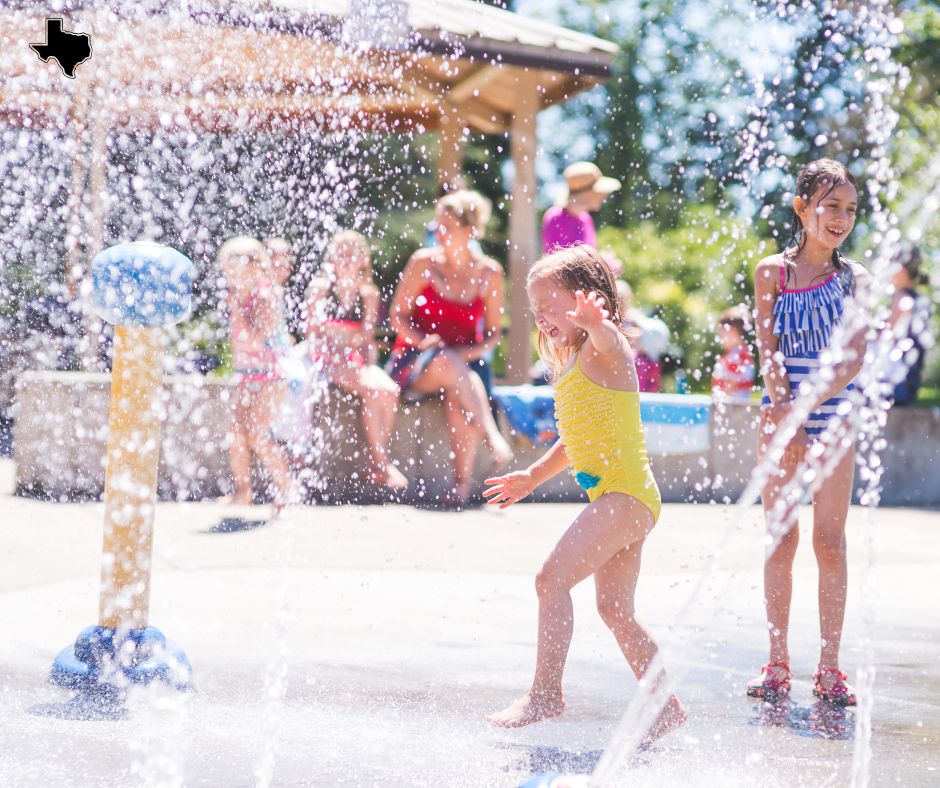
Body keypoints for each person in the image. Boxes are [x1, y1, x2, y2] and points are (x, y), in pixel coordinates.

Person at [482, 245, 687, 745]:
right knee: (616, 612)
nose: (543, 320)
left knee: (550, 580)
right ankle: (666, 706)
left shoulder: (605, 347)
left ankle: (545, 694)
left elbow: (610, 336)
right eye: (536, 312)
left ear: (585, 299)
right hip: (622, 498)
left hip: (626, 495)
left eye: (550, 308)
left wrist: (596, 321)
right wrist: (532, 476)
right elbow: (576, 439)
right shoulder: (573, 361)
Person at [751, 158, 868, 706]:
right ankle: (777, 663)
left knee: (828, 542)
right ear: (802, 208)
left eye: (849, 209)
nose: (841, 217)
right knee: (781, 537)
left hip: (833, 419)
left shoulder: (854, 279)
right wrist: (783, 409)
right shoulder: (771, 272)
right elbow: (768, 348)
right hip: (780, 415)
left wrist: (805, 411)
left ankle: (829, 668)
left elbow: (852, 359)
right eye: (830, 206)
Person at [386, 189, 513, 509]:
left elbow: (494, 332)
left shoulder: (490, 273)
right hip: (417, 359)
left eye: (445, 227)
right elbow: (396, 316)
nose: (437, 233)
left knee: (460, 393)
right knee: (448, 364)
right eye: (437, 226)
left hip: (466, 364)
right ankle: (491, 433)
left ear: (470, 231)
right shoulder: (422, 263)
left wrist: (470, 354)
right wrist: (418, 339)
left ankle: (460, 485)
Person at [303, 231, 408, 490]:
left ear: (363, 259)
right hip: (324, 357)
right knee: (373, 391)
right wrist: (337, 347)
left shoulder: (368, 293)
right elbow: (311, 333)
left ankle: (377, 461)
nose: (347, 258)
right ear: (331, 258)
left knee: (390, 390)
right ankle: (381, 463)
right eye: (342, 252)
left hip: (353, 358)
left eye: (353, 253)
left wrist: (357, 355)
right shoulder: (320, 289)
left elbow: (365, 337)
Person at [219, 236, 296, 515]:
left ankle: (286, 489)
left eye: (234, 267)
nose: (230, 274)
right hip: (246, 373)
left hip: (271, 374)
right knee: (236, 433)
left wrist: (237, 309)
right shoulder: (240, 295)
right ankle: (243, 491)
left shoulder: (267, 295)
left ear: (254, 267)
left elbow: (257, 337)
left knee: (257, 434)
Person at [884, 243, 930, 405]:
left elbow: (885, 342)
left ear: (901, 269)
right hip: (911, 379)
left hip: (894, 383)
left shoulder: (901, 300)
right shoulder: (920, 300)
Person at [541, 162, 621, 254]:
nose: (603, 197)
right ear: (587, 195)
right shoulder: (555, 217)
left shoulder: (586, 219)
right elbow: (554, 260)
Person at [712, 305, 756, 400]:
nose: (720, 340)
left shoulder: (737, 356)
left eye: (722, 336)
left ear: (732, 332)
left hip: (734, 404)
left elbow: (733, 382)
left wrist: (720, 397)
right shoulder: (738, 354)